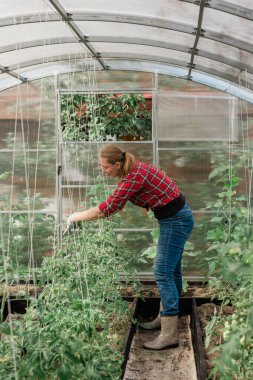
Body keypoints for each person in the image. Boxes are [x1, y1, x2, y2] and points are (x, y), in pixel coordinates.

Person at [67, 144, 194, 350]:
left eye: (105, 167)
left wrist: (77, 216)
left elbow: (108, 208)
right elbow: (154, 187)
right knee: (172, 272)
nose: (103, 170)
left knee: (162, 272)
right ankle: (165, 318)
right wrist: (150, 202)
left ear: (117, 164)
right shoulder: (134, 170)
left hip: (176, 221)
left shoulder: (133, 176)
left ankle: (169, 334)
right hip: (176, 218)